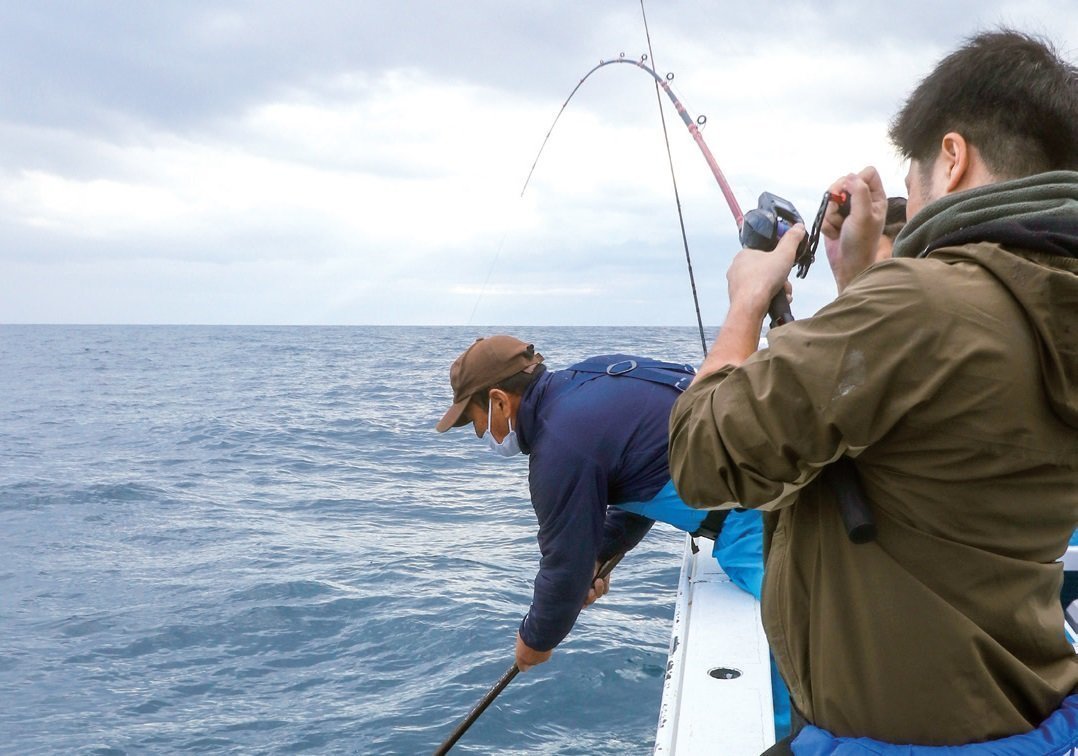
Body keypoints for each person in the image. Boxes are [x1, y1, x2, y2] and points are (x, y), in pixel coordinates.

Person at [668, 29, 1078, 751]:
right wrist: (861, 285)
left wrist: (747, 299)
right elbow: (931, 443)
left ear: (951, 160)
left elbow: (705, 454)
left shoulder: (921, 306)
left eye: (911, 183)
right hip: (1022, 717)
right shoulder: (1044, 302)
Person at [435, 335, 791, 733]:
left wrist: (534, 641)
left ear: (499, 400)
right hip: (781, 471)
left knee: (796, 657)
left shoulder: (558, 449)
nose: (480, 433)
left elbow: (563, 569)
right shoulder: (593, 377)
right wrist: (599, 553)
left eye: (474, 420)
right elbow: (646, 466)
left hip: (763, 519)